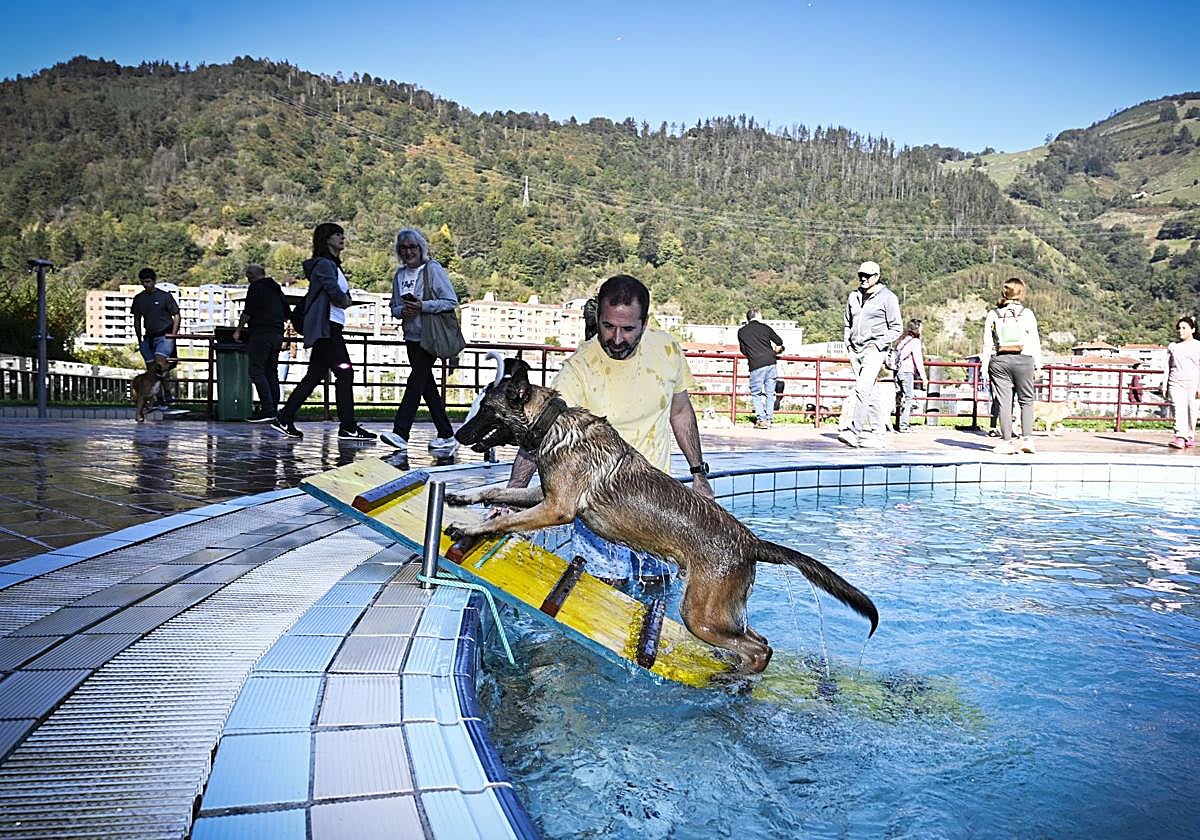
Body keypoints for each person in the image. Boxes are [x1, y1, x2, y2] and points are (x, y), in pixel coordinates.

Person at [503, 274, 713, 587]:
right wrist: (509, 498)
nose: (615, 339)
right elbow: (539, 434)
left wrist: (699, 475)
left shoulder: (667, 350)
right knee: (603, 594)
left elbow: (680, 413)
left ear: (644, 322)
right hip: (599, 509)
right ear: (598, 318)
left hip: (656, 502)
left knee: (658, 589)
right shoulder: (579, 368)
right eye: (607, 326)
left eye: (628, 329)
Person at [270, 223, 376, 441]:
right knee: (345, 373)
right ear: (326, 239)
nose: (342, 238)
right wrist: (347, 300)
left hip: (330, 326)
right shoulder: (324, 265)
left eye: (342, 234)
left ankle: (284, 416)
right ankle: (348, 426)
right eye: (337, 234)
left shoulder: (332, 265)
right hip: (327, 328)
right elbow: (336, 295)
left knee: (314, 375)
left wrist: (344, 300)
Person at [379, 228, 459, 456]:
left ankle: (401, 432)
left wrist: (423, 306)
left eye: (412, 247)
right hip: (411, 336)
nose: (408, 252)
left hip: (430, 335)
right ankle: (446, 434)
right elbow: (393, 307)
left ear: (421, 248)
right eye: (403, 248)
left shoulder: (432, 269)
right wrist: (402, 311)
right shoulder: (399, 275)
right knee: (426, 386)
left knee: (416, 382)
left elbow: (450, 300)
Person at [838, 261, 902, 448]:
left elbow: (897, 328)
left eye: (867, 275)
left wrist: (878, 344)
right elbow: (847, 323)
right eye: (861, 275)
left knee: (862, 389)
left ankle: (854, 431)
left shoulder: (888, 298)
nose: (863, 278)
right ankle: (878, 434)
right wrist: (847, 343)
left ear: (877, 276)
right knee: (870, 392)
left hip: (874, 351)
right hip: (855, 350)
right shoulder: (853, 297)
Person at [980, 277, 1042, 454]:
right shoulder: (1027, 313)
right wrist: (1038, 365)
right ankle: (1027, 440)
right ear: (1021, 293)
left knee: (1004, 402)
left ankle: (1006, 442)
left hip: (1000, 361)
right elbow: (1034, 341)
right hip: (1024, 359)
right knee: (1026, 401)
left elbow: (987, 344)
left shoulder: (994, 314)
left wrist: (985, 367)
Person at [233, 264, 286, 423]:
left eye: (248, 275)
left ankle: (267, 410)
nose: (247, 277)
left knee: (257, 371)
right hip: (277, 333)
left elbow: (248, 311)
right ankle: (273, 409)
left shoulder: (255, 288)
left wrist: (238, 330)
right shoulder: (276, 288)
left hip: (261, 334)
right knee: (272, 372)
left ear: (251, 275)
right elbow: (286, 310)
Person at [130, 267, 180, 406]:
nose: (146, 285)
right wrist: (139, 337)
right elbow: (137, 319)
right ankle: (158, 397)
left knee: (161, 365)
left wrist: (173, 335)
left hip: (165, 335)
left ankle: (167, 394)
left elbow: (176, 315)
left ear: (154, 281)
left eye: (148, 282)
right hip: (148, 336)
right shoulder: (139, 298)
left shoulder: (164, 296)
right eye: (143, 282)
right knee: (152, 370)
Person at [738, 308, 785, 429]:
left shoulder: (742, 331)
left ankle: (761, 419)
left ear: (748, 318)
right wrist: (776, 350)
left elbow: (743, 351)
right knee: (770, 393)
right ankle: (769, 419)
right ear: (758, 316)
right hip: (771, 362)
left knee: (756, 393)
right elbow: (779, 341)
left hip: (755, 364)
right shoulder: (765, 328)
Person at [1163, 315, 1200, 449]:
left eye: (1184, 328)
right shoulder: (1173, 347)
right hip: (1175, 382)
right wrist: (1164, 383)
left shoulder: (1198, 346)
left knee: (1192, 411)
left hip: (1193, 383)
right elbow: (1167, 366)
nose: (1181, 331)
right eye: (1179, 328)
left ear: (1193, 329)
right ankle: (1180, 436)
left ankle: (1189, 436)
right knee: (1178, 409)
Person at [892, 319, 927, 433]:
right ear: (916, 329)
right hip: (907, 372)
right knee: (908, 399)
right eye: (920, 328)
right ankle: (903, 425)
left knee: (899, 397)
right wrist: (924, 377)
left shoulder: (902, 340)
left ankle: (895, 422)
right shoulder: (915, 342)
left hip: (897, 372)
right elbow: (918, 360)